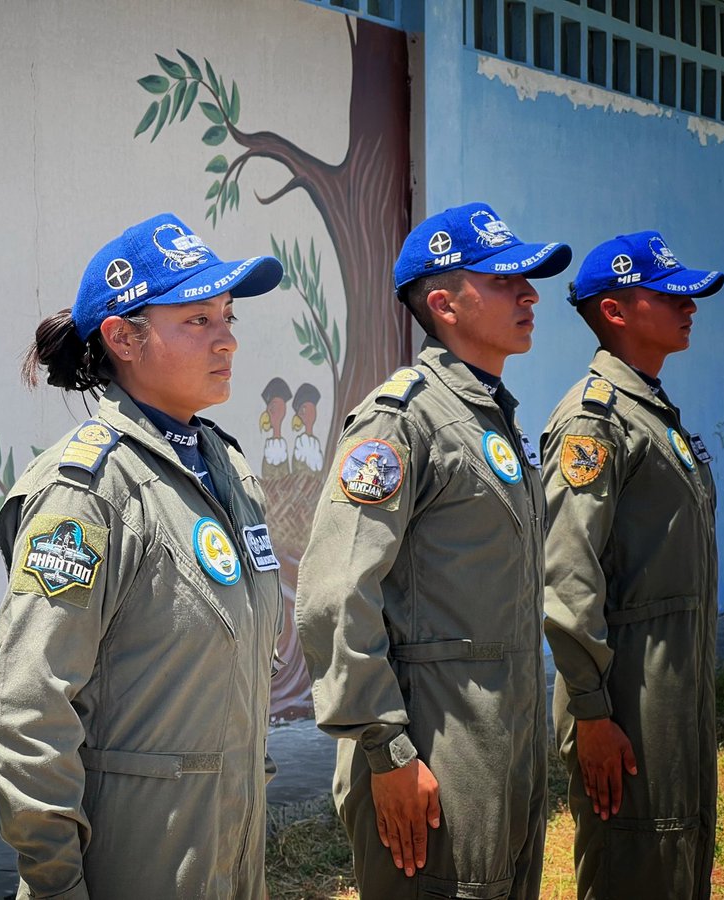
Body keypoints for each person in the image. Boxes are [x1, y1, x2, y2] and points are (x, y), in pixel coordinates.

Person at [0, 212, 285, 899]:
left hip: (226, 864)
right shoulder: (88, 491)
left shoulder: (222, 466)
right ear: (123, 337)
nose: (227, 338)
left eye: (228, 316)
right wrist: (55, 885)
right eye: (197, 320)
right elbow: (23, 714)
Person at [296, 202, 571, 899]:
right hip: (432, 747)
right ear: (444, 303)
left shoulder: (488, 414)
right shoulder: (402, 420)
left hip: (500, 744)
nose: (531, 294)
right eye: (507, 281)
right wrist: (386, 749)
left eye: (528, 280)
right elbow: (336, 595)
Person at [542, 231, 722, 899]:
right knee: (635, 864)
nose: (689, 304)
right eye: (668, 292)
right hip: (629, 697)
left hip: (672, 685)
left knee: (674, 857)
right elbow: (567, 576)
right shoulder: (595, 423)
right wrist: (592, 714)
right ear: (615, 312)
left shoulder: (652, 410)